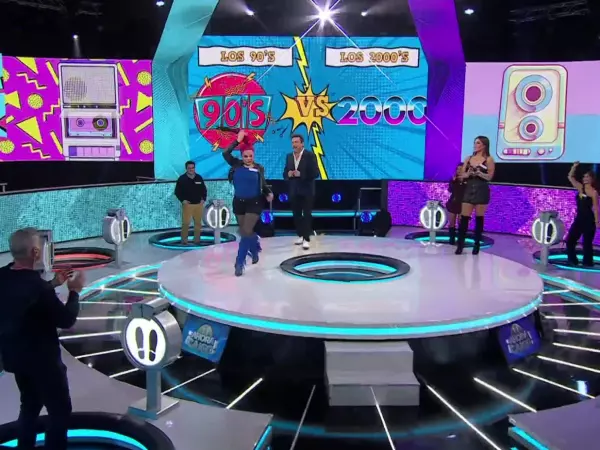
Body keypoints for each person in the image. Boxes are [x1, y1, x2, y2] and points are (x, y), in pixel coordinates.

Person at [0, 228, 85, 450]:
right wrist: (74, 292)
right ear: (36, 252)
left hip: (16, 358)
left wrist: (53, 284)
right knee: (59, 411)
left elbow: (24, 298)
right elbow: (66, 319)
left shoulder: (3, 276)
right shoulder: (37, 287)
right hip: (44, 363)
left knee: (29, 405)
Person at [223, 130, 273, 276]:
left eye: (251, 156)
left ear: (254, 155)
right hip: (239, 202)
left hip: (254, 203)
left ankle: (239, 263)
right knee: (247, 231)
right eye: (246, 156)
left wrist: (268, 193)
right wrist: (237, 141)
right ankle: (255, 249)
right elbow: (225, 153)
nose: (248, 158)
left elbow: (262, 184)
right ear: (242, 156)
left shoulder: (259, 168)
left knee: (245, 232)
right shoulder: (236, 165)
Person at [455, 136, 495, 255]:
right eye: (475, 142)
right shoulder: (468, 158)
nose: (475, 145)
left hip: (481, 190)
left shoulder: (489, 159)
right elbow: (461, 175)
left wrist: (479, 173)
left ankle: (476, 245)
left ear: (484, 145)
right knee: (464, 218)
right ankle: (460, 245)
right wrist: (468, 174)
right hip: (469, 189)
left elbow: (490, 177)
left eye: (477, 143)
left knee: (479, 218)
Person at [282, 134, 320, 249]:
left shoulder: (310, 155)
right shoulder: (289, 156)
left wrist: (301, 174)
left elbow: (316, 173)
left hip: (307, 190)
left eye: (296, 142)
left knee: (307, 214)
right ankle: (301, 235)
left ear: (302, 143)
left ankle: (306, 239)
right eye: (293, 142)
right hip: (294, 190)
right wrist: (288, 174)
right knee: (296, 214)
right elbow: (284, 173)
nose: (294, 145)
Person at [566, 162, 599, 266]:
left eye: (587, 177)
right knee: (570, 240)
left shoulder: (594, 192)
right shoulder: (580, 187)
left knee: (587, 244)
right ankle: (572, 261)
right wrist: (574, 166)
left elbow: (596, 208)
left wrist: (597, 222)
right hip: (579, 219)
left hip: (589, 221)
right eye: (584, 177)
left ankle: (587, 264)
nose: (585, 178)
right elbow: (570, 177)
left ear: (592, 179)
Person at [174, 161, 208, 245]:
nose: (191, 169)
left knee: (198, 224)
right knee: (186, 223)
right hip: (187, 205)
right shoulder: (182, 179)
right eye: (189, 168)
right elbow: (177, 191)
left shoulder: (199, 177)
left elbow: (204, 190)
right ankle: (184, 241)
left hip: (198, 205)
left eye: (192, 168)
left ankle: (197, 240)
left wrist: (203, 199)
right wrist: (183, 200)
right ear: (186, 168)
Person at [446, 163, 467, 245]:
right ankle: (451, 240)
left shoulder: (467, 180)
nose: (459, 170)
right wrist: (453, 181)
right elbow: (450, 190)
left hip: (463, 204)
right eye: (458, 169)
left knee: (461, 223)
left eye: (461, 169)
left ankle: (460, 240)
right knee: (452, 223)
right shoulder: (453, 179)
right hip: (453, 203)